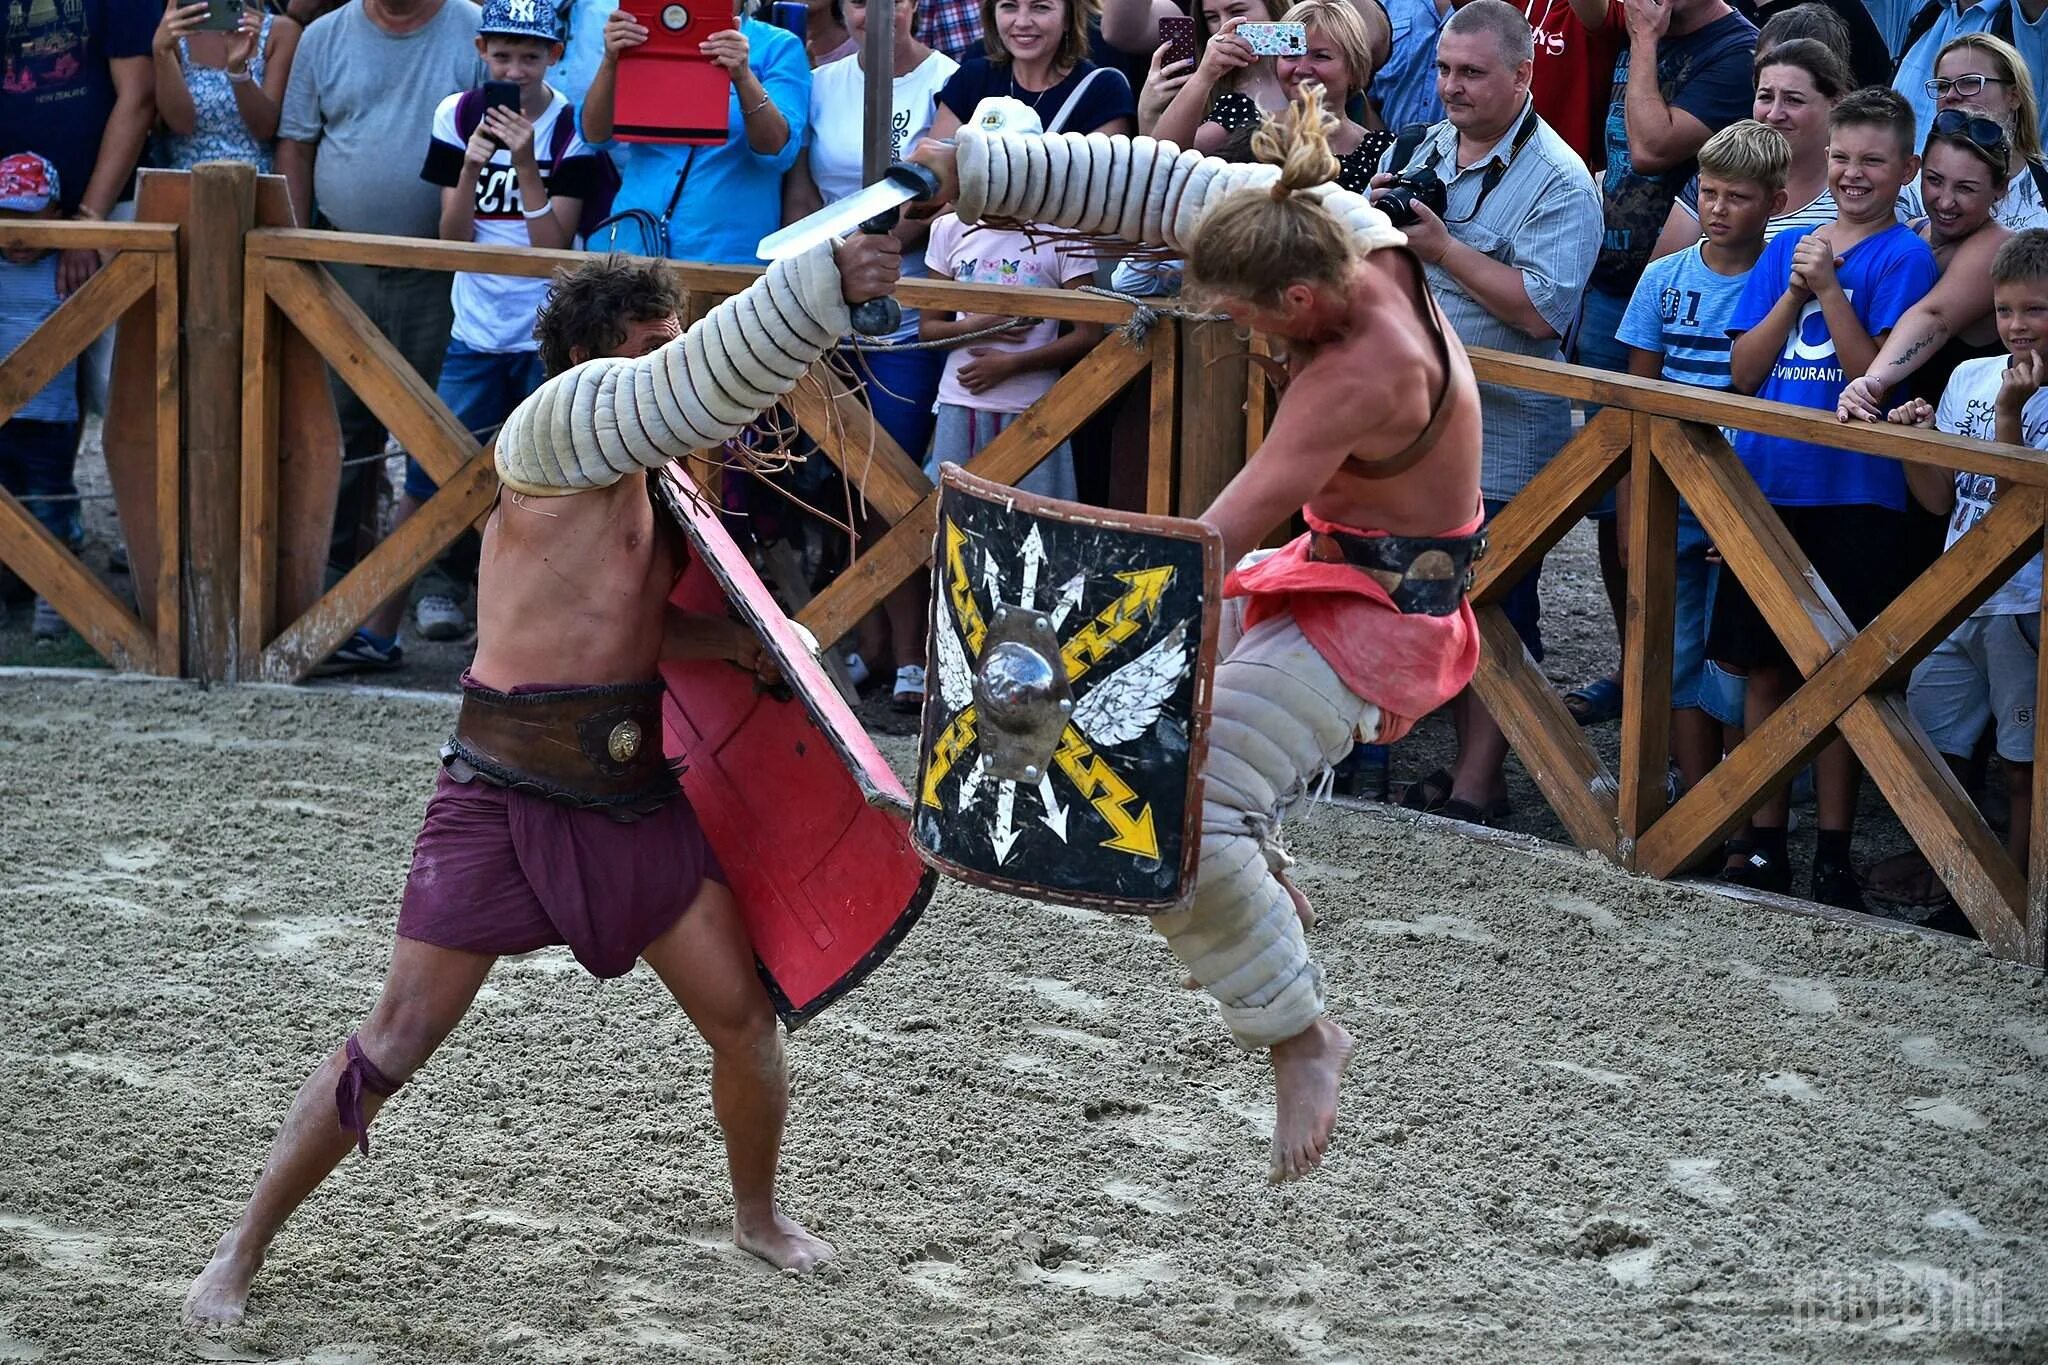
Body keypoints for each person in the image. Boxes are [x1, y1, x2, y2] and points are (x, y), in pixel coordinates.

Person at [181, 234, 906, 1327]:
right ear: (584, 364)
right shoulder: (550, 434)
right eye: (651, 349)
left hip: (627, 791)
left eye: (676, 344)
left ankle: (756, 1217)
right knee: (396, 1038)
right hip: (504, 789)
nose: (675, 365)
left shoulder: (657, 476)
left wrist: (744, 650)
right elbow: (704, 377)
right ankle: (237, 1251)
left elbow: (638, 625)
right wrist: (820, 282)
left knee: (744, 1023)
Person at [909, 81, 1486, 1179]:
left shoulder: (1359, 376)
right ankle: (1255, 886)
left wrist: (1062, 643)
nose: (1235, 332)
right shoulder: (1337, 227)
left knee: (1176, 819)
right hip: (1324, 577)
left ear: (1306, 298)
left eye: (1247, 316)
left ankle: (1298, 1034)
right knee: (1172, 785)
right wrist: (965, 172)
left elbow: (1205, 546)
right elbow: (1164, 180)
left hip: (1375, 618)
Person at [1374, 0, 1602, 824]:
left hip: (1505, 431)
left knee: (1498, 605)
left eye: (1471, 73)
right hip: (1415, 425)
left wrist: (1440, 249)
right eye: (1441, 69)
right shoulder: (1424, 145)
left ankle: (1481, 784)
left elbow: (1542, 311)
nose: (1450, 88)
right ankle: (1433, 765)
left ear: (1522, 75)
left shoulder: (1560, 178)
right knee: (1423, 593)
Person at [1714, 86, 1938, 908]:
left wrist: (1834, 292)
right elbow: (1744, 371)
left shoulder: (1907, 257)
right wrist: (1798, 288)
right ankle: (1765, 838)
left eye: (1873, 161)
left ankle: (1833, 849)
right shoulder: (1789, 247)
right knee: (1765, 666)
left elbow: (1872, 377)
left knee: (1844, 676)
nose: (1852, 174)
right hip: (1774, 482)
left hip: (1856, 494)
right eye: (1841, 157)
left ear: (1906, 169)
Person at [361, 0, 605, 648]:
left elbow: (556, 240)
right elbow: (450, 235)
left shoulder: (569, 125)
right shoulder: (457, 113)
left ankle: (528, 634)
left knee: (547, 481)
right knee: (431, 472)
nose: (515, 69)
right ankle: (378, 628)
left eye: (529, 56)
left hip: (545, 330)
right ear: (480, 53)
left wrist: (524, 164)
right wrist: (472, 164)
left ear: (554, 56)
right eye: (502, 56)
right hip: (475, 326)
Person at [1559, 0, 1754, 728]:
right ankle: (1633, 659)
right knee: (1619, 499)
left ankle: (1696, 693)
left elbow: (1649, 146)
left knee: (1683, 504)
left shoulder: (1736, 52)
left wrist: (1641, 36)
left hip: (1690, 299)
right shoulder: (1637, 22)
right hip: (1612, 288)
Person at [278, 0, 484, 671]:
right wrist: (299, 245)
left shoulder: (472, 28)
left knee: (444, 428)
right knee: (337, 427)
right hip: (343, 261)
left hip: (442, 265)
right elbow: (297, 142)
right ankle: (331, 574)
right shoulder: (322, 38)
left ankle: (441, 580)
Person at [782, 0, 956, 704]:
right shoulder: (821, 83)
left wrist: (880, 254)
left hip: (907, 304)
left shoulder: (947, 81)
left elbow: (937, 200)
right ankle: (867, 637)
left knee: (892, 473)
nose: (868, 12)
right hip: (829, 301)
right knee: (843, 479)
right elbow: (801, 189)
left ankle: (911, 651)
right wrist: (827, 265)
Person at [1883, 229, 2048, 930]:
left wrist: (2011, 416)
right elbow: (1938, 500)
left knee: (2022, 763)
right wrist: (1916, 442)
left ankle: (2015, 899)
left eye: (2035, 310)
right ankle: (1956, 881)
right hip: (1959, 592)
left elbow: (2022, 516)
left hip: (2025, 600)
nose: (2016, 326)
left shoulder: (2020, 396)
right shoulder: (1969, 377)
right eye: (2006, 310)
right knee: (1933, 746)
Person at [1615, 120, 1787, 793]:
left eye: (1736, 196)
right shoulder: (1663, 279)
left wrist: (1742, 504)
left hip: (1746, 491)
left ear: (1774, 201)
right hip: (1671, 490)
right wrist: (1634, 502)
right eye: (1709, 192)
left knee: (1737, 656)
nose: (1717, 209)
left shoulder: (1782, 284)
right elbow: (1638, 399)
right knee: (1679, 649)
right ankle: (1694, 795)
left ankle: (1736, 804)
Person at [583, 0, 810, 264]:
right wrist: (611, 60)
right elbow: (595, 137)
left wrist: (743, 77)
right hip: (632, 253)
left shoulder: (778, 47)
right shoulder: (642, 32)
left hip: (724, 258)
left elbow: (778, 152)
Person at [1838, 109, 2014, 418]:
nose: (1945, 201)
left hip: (1953, 440)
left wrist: (1870, 382)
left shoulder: (1999, 247)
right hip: (1893, 424)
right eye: (1934, 180)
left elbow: (1937, 318)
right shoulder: (1911, 233)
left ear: (2000, 189)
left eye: (1965, 188)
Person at [0, 0, 156, 301]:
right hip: (10, 220)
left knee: (117, 344)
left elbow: (139, 97)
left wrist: (88, 223)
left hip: (110, 210)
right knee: (17, 345)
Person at [1647, 36, 1852, 259]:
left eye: (1793, 100)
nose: (1774, 114)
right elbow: (1662, 275)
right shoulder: (1721, 171)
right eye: (1765, 97)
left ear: (1836, 103)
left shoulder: (1857, 192)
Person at [1157, 0, 1391, 187]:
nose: (1301, 69)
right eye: (1291, 55)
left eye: (1321, 56)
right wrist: (1205, 75)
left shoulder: (1383, 149)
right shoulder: (1246, 120)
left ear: (1354, 68)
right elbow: (1162, 160)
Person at [0, 153, 84, 641]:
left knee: (50, 505)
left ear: (55, 215)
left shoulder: (68, 267)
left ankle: (55, 601)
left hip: (51, 418)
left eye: (30, 219)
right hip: (4, 419)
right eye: (8, 220)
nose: (19, 235)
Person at [927, 0, 1137, 141]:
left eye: (1040, 7)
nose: (1023, 22)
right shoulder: (971, 77)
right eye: (1009, 6)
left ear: (1068, 18)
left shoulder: (1103, 91)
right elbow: (933, 178)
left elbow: (1101, 195)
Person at [1904, 33, 2047, 231]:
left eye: (1970, 82)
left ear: (2014, 96)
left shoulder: (2043, 178)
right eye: (1943, 86)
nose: (1951, 95)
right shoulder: (1908, 191)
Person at [1867, 0, 2047, 153]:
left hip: (2000, 192)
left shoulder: (2026, 22)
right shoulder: (1922, 12)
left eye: (1970, 82)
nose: (1950, 95)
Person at [151, 0, 302, 172]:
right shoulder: (174, 33)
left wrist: (238, 71)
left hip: (253, 182)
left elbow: (265, 128)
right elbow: (181, 124)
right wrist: (163, 51)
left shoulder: (281, 31)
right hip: (186, 180)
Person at [1145, 0, 1294, 148]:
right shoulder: (1198, 80)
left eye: (1237, 12)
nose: (1224, 25)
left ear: (1274, 8)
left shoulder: (1307, 69)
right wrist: (1147, 113)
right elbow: (1163, 156)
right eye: (1212, 17)